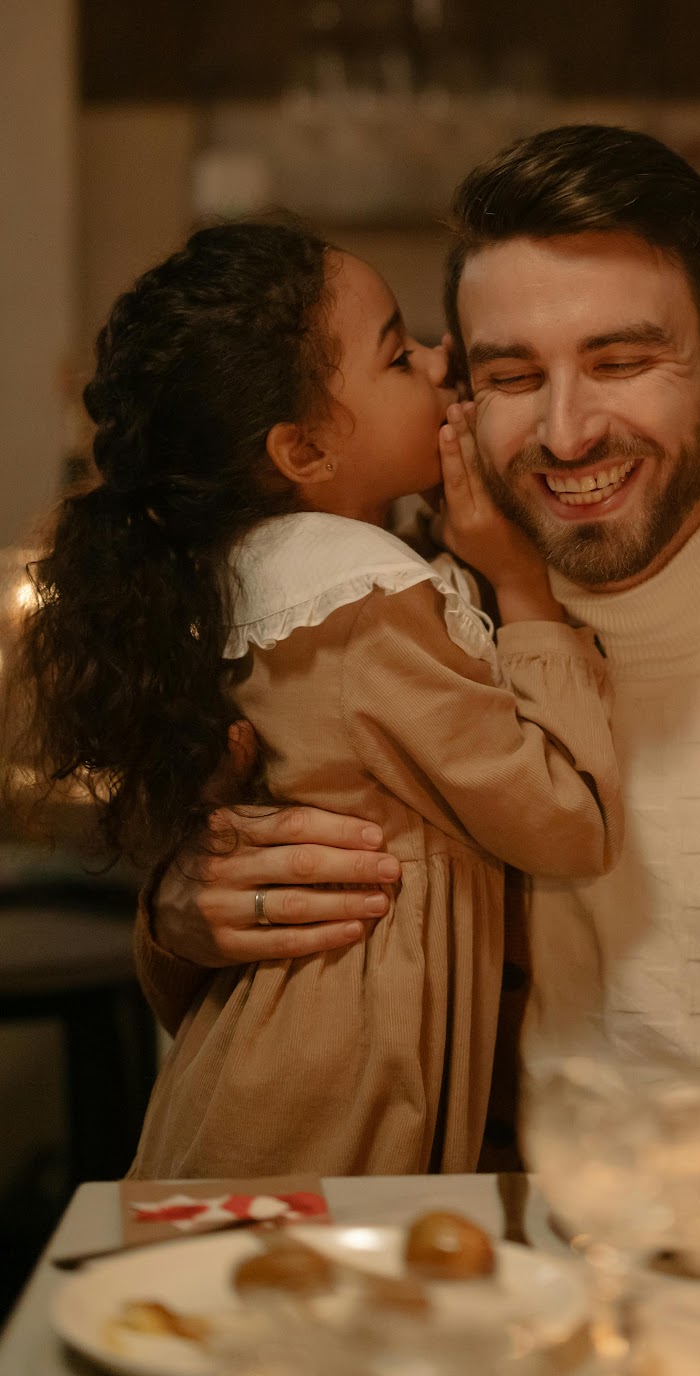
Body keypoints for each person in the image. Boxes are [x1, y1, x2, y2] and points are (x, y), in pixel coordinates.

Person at [136, 127, 700, 1140]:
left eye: (621, 361)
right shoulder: (390, 632)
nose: (568, 433)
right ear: (459, 396)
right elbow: (251, 994)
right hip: (495, 1263)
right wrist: (178, 916)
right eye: (512, 376)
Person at [10, 218, 622, 1177]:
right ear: (300, 451)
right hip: (333, 1090)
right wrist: (529, 597)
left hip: (289, 1058)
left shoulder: (278, 578)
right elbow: (566, 820)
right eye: (396, 353)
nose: (439, 360)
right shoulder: (363, 599)